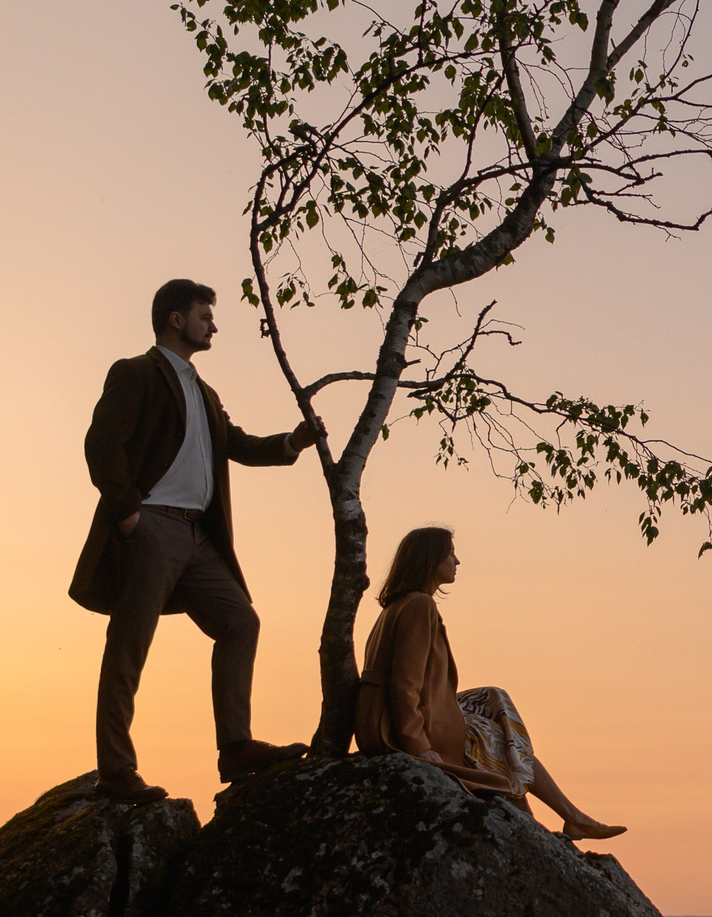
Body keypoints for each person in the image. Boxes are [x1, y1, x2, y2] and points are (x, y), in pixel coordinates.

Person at [69, 279, 324, 803]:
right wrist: (127, 514)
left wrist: (291, 443)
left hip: (198, 536)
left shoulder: (204, 391)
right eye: (205, 314)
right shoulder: (136, 372)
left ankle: (235, 747)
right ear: (176, 320)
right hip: (151, 526)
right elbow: (102, 443)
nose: (214, 324)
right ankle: (116, 772)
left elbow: (235, 444)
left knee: (240, 621)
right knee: (129, 647)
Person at [355, 526, 626, 841]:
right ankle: (558, 822)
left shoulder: (399, 605)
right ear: (431, 559)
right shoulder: (419, 605)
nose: (457, 561)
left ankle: (556, 821)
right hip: (394, 726)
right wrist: (421, 747)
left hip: (387, 717)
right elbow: (404, 685)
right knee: (498, 740)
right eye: (450, 553)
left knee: (495, 698)